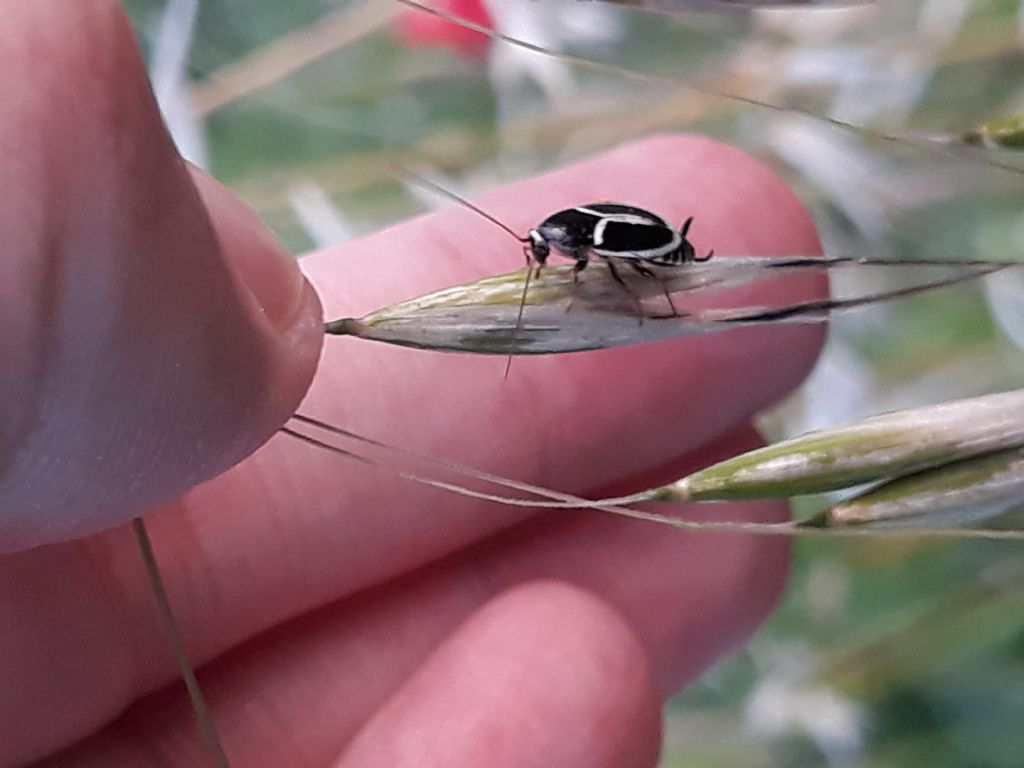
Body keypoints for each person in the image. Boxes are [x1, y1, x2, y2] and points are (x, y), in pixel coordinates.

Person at [0, 2, 826, 765]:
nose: (542, 260)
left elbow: (614, 251)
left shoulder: (579, 242)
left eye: (541, 255)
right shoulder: (573, 238)